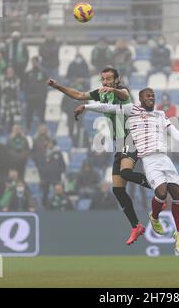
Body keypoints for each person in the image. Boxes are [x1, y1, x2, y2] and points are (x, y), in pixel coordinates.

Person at [75, 87, 179, 254]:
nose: (151, 97)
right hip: (149, 160)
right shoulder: (132, 109)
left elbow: (172, 130)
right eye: (148, 95)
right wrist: (86, 107)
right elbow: (108, 108)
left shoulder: (160, 115)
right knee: (161, 192)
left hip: (164, 158)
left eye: (153, 95)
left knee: (178, 194)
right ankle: (154, 217)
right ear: (141, 98)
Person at [47, 67, 151, 245]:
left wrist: (113, 89)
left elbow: (124, 93)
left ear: (117, 80)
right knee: (117, 189)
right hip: (119, 144)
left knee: (125, 173)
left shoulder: (121, 92)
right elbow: (78, 95)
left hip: (132, 138)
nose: (105, 82)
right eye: (103, 79)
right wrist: (57, 86)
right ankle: (136, 226)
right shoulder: (101, 94)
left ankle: (159, 187)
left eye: (109, 79)